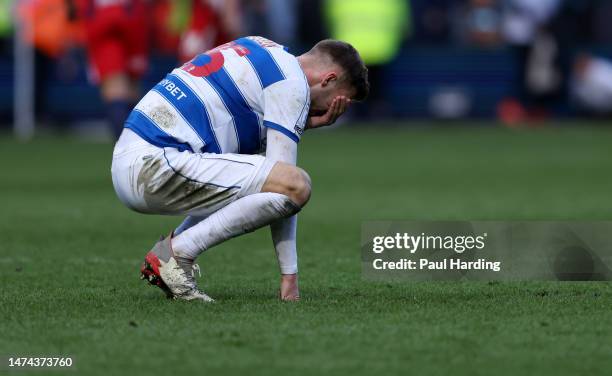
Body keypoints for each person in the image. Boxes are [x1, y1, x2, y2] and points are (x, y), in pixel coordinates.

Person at [110, 36, 369, 301]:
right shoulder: (292, 83)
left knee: (257, 181)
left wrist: (302, 123)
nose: (328, 110)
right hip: (155, 163)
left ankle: (169, 256)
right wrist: (289, 277)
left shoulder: (260, 47)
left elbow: (246, 148)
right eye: (335, 102)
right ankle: (177, 255)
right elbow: (286, 186)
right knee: (296, 184)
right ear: (328, 79)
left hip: (135, 157)